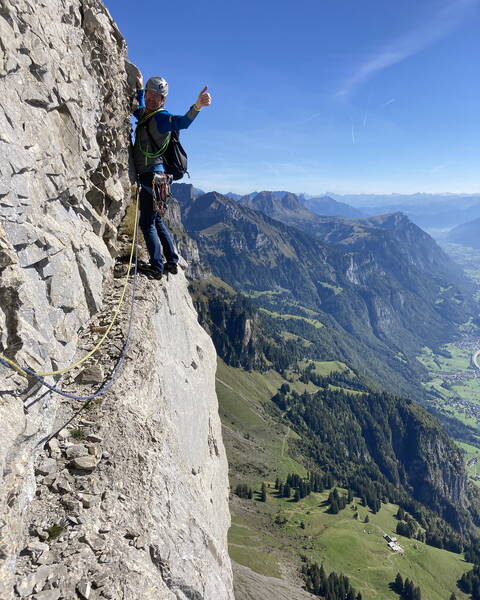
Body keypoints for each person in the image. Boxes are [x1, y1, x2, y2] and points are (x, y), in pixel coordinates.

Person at [132, 75, 211, 279]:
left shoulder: (161, 118)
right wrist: (140, 88)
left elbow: (182, 122)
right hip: (160, 178)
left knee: (147, 223)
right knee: (157, 220)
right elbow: (138, 108)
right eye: (149, 94)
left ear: (162, 100)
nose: (151, 99)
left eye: (156, 96)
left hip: (152, 175)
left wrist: (197, 106)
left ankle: (157, 267)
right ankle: (172, 261)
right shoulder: (146, 114)